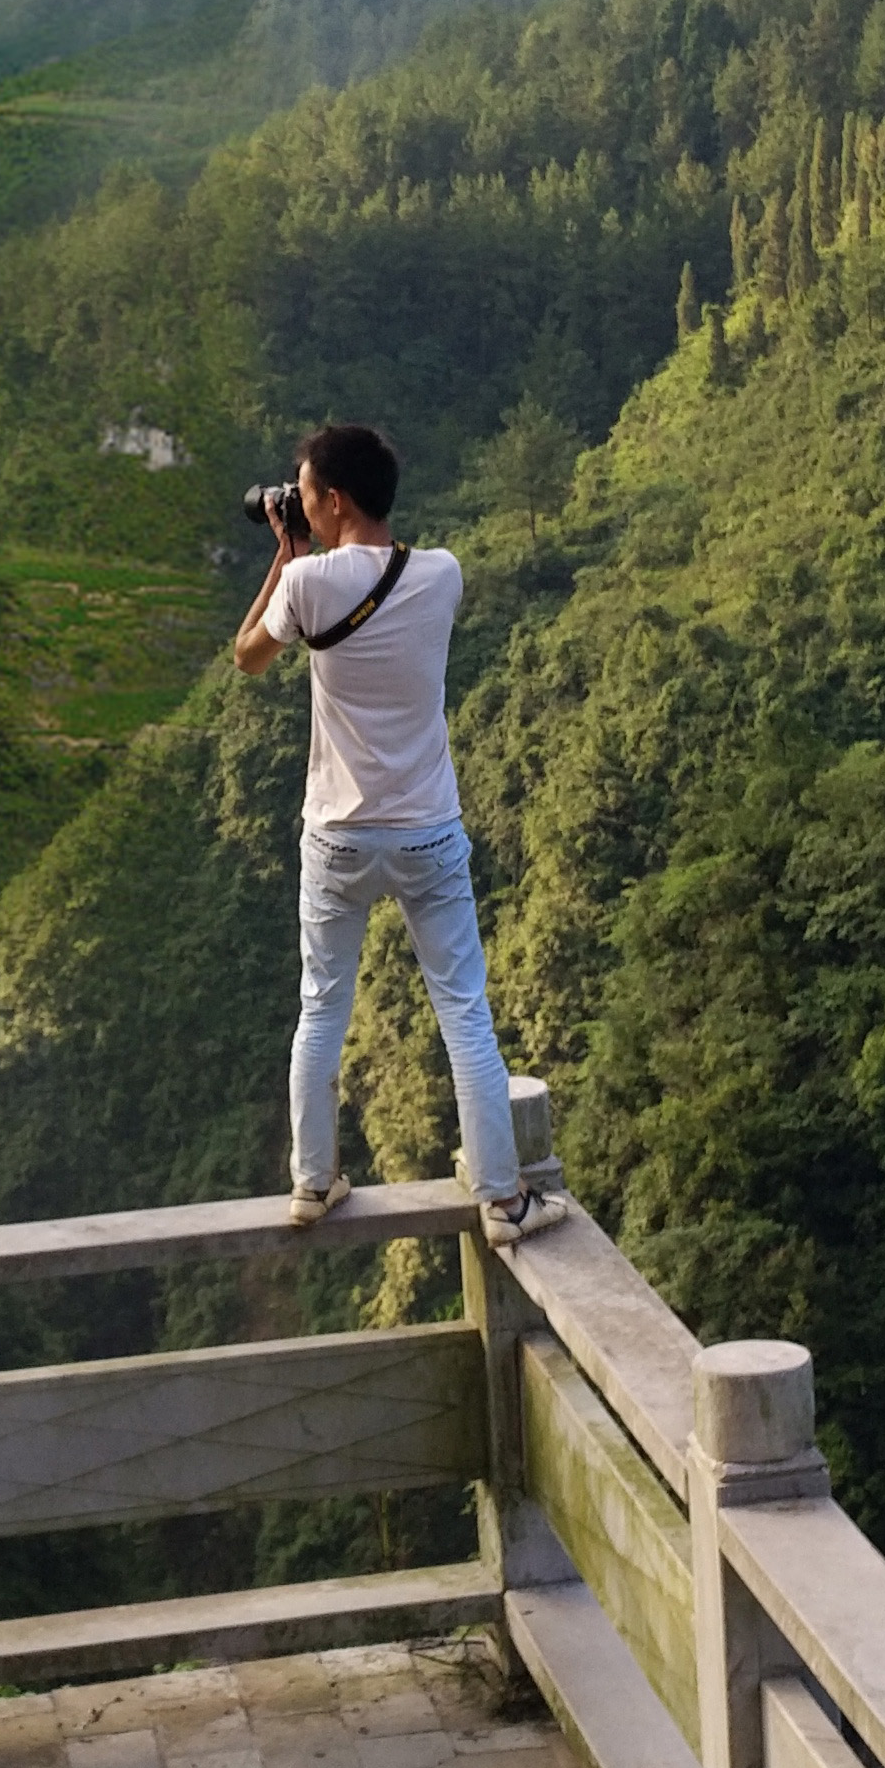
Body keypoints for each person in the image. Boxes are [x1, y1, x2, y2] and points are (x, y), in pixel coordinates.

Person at [231, 420, 565, 1249]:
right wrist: (312, 548)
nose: (298, 502)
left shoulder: (304, 586)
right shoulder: (441, 576)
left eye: (305, 493)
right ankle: (502, 1200)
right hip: (426, 832)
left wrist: (286, 553)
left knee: (321, 1010)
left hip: (337, 837)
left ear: (332, 500)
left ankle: (313, 1183)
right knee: (464, 1013)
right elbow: (379, 572)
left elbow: (248, 657)